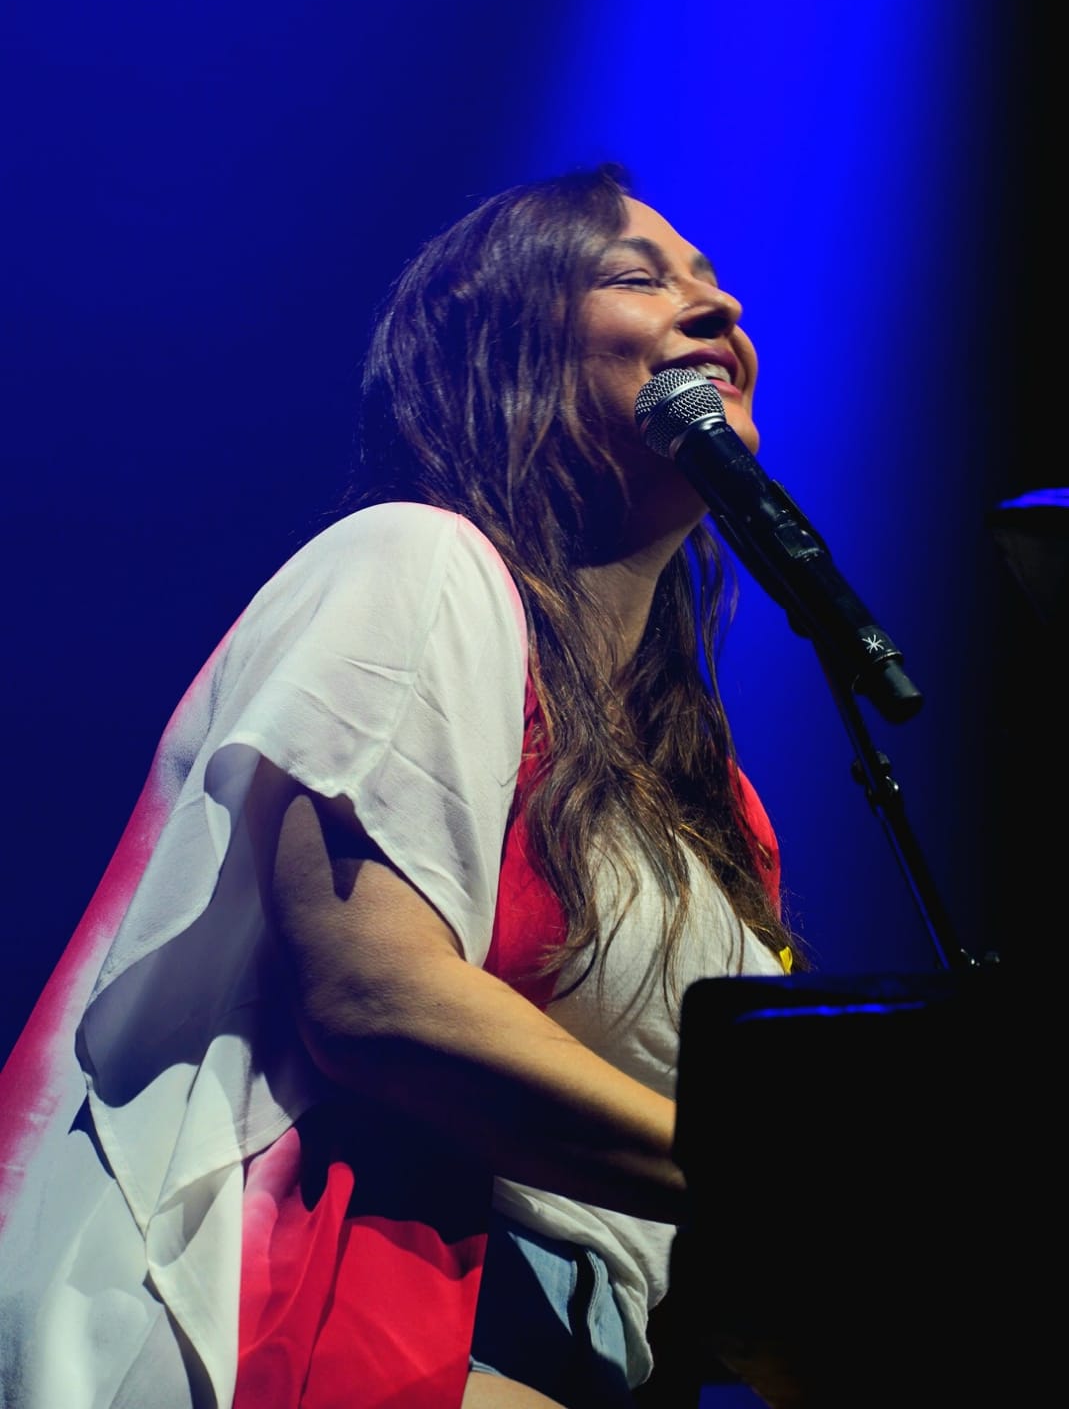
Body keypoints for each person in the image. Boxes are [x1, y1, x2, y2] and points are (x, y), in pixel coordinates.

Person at [0, 163, 803, 1409]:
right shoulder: (416, 561)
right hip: (356, 1303)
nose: (721, 308)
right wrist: (793, 1184)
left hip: (592, 1354)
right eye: (639, 277)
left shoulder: (717, 807)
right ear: (505, 348)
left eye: (710, 283)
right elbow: (379, 997)